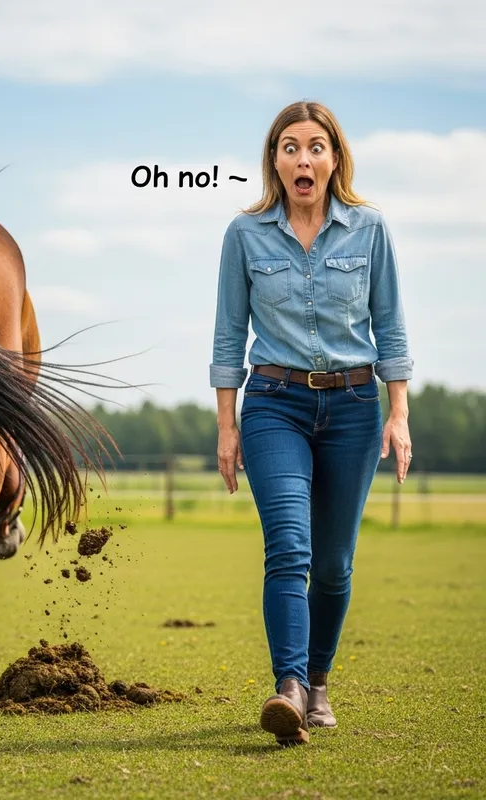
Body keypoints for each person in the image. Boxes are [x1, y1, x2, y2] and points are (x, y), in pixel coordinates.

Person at [209, 100, 413, 747]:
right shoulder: (245, 235)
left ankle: (318, 682)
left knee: (333, 565)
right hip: (274, 403)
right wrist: (227, 425)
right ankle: (290, 689)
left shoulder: (370, 229)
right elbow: (227, 335)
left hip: (355, 408)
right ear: (274, 160)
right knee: (289, 549)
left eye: (315, 146)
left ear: (334, 158)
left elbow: (391, 326)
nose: (304, 158)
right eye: (290, 147)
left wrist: (399, 413)